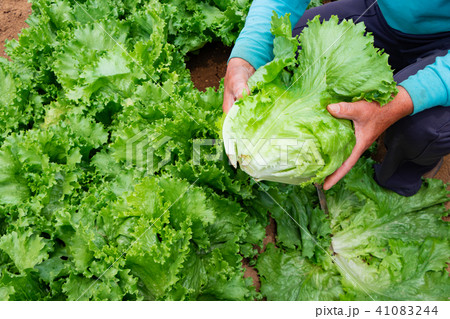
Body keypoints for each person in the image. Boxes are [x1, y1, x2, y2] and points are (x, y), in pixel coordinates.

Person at [223, 0, 450, 196]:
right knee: (289, 47)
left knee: (423, 130)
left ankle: (402, 174)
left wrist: (402, 101)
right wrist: (248, 56)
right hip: (381, 11)